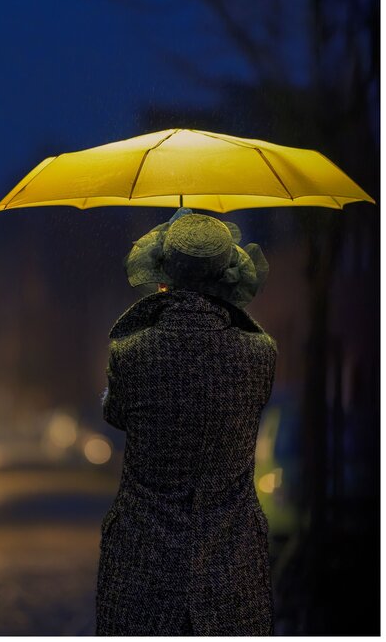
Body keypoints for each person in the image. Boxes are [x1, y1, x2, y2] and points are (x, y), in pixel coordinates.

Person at [95, 207, 278, 636]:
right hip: (233, 569)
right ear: (228, 277)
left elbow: (115, 414)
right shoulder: (260, 354)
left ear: (163, 275)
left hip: (142, 567)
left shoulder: (131, 352)